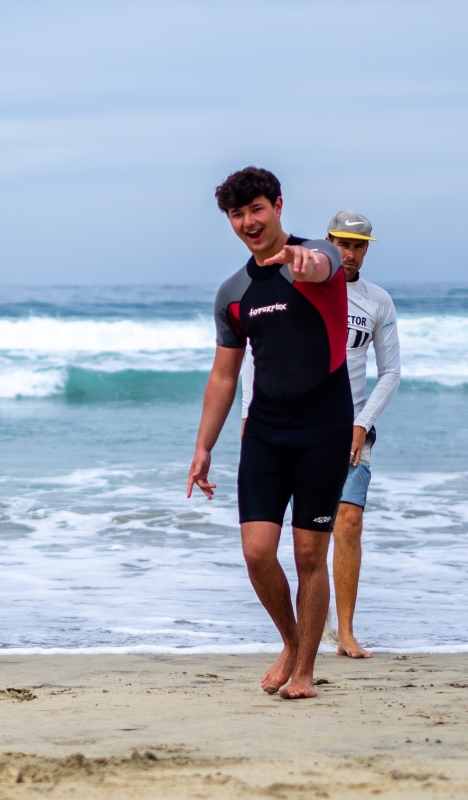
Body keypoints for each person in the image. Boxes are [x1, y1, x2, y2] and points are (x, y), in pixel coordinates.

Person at [187, 167, 348, 699]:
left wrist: (304, 263)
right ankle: (291, 641)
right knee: (257, 553)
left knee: (309, 556)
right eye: (237, 214)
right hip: (265, 432)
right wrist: (203, 447)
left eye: (256, 209)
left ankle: (304, 672)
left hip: (324, 428)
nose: (248, 222)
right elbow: (224, 375)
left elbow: (323, 265)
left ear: (278, 205)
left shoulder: (318, 255)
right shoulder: (233, 293)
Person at [240, 210, 401, 659]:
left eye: (358, 246)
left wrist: (361, 423)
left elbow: (390, 372)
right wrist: (248, 415)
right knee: (300, 543)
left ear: (367, 251)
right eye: (342, 243)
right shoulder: (299, 287)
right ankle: (300, 635)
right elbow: (257, 356)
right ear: (328, 241)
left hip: (351, 427)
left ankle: (345, 632)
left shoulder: (377, 301)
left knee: (349, 520)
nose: (349, 253)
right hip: (292, 427)